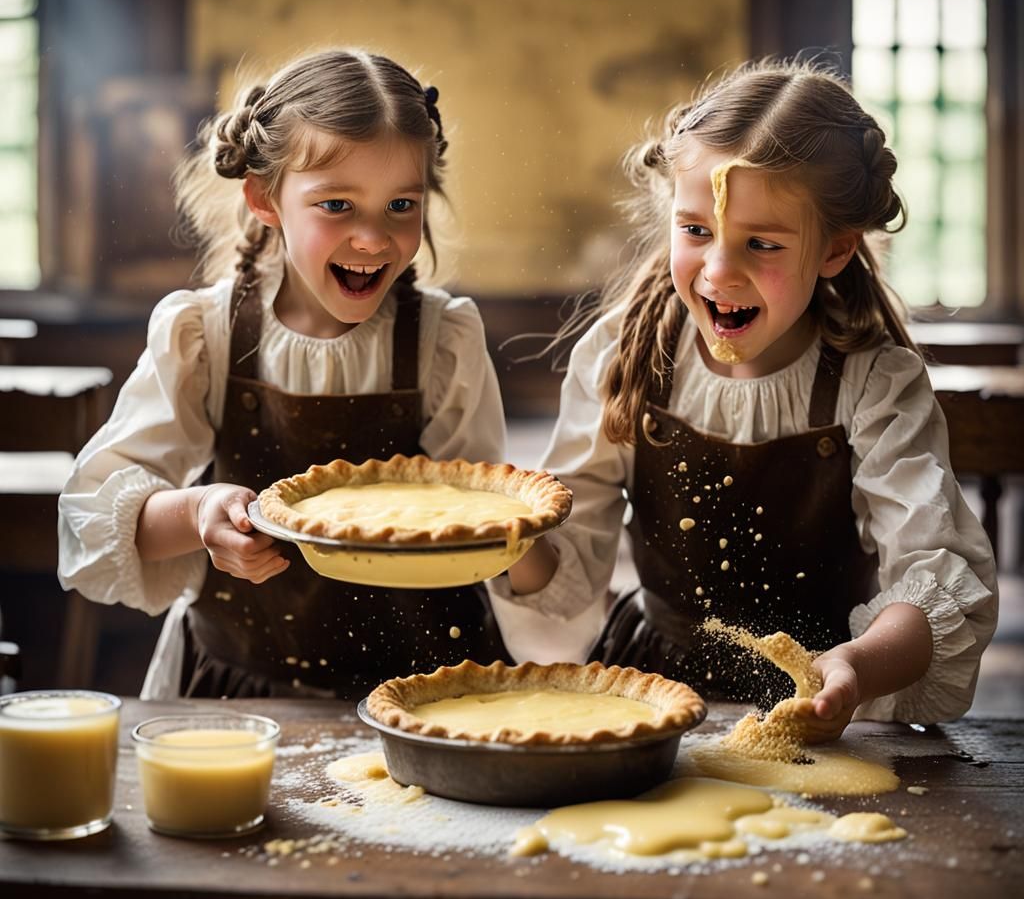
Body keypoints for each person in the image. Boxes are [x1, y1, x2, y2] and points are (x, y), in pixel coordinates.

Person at [488, 58, 998, 739]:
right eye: (695, 230)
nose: (719, 271)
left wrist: (857, 669)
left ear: (836, 250)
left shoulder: (874, 383)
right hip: (647, 691)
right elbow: (568, 565)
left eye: (761, 243)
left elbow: (935, 577)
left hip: (819, 698)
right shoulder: (625, 355)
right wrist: (501, 531)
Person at [59, 48, 512, 699]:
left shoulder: (444, 340)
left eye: (400, 205)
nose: (373, 239)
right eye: (336, 205)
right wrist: (198, 513)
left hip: (426, 691)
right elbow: (88, 524)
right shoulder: (204, 335)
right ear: (264, 197)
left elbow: (489, 525)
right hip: (241, 689)